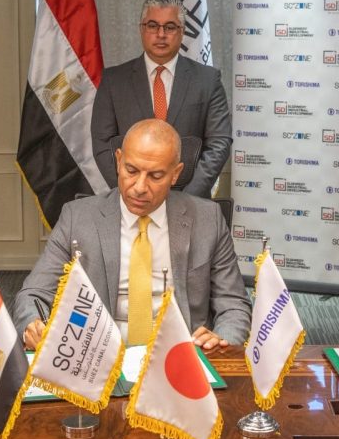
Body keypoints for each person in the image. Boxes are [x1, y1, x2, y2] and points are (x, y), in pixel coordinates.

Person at [16, 119, 251, 350]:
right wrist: (33, 325)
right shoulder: (77, 217)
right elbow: (35, 293)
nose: (139, 187)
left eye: (155, 176)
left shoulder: (208, 219)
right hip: (98, 356)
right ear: (119, 161)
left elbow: (233, 304)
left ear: (175, 174)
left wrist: (220, 341)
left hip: (182, 357)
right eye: (131, 170)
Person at [91, 0, 231, 198]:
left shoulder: (208, 80)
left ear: (182, 31)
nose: (161, 34)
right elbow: (102, 144)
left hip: (190, 201)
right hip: (132, 200)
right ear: (141, 29)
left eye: (170, 27)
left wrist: (189, 197)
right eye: (152, 25)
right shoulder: (113, 80)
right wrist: (131, 192)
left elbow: (219, 143)